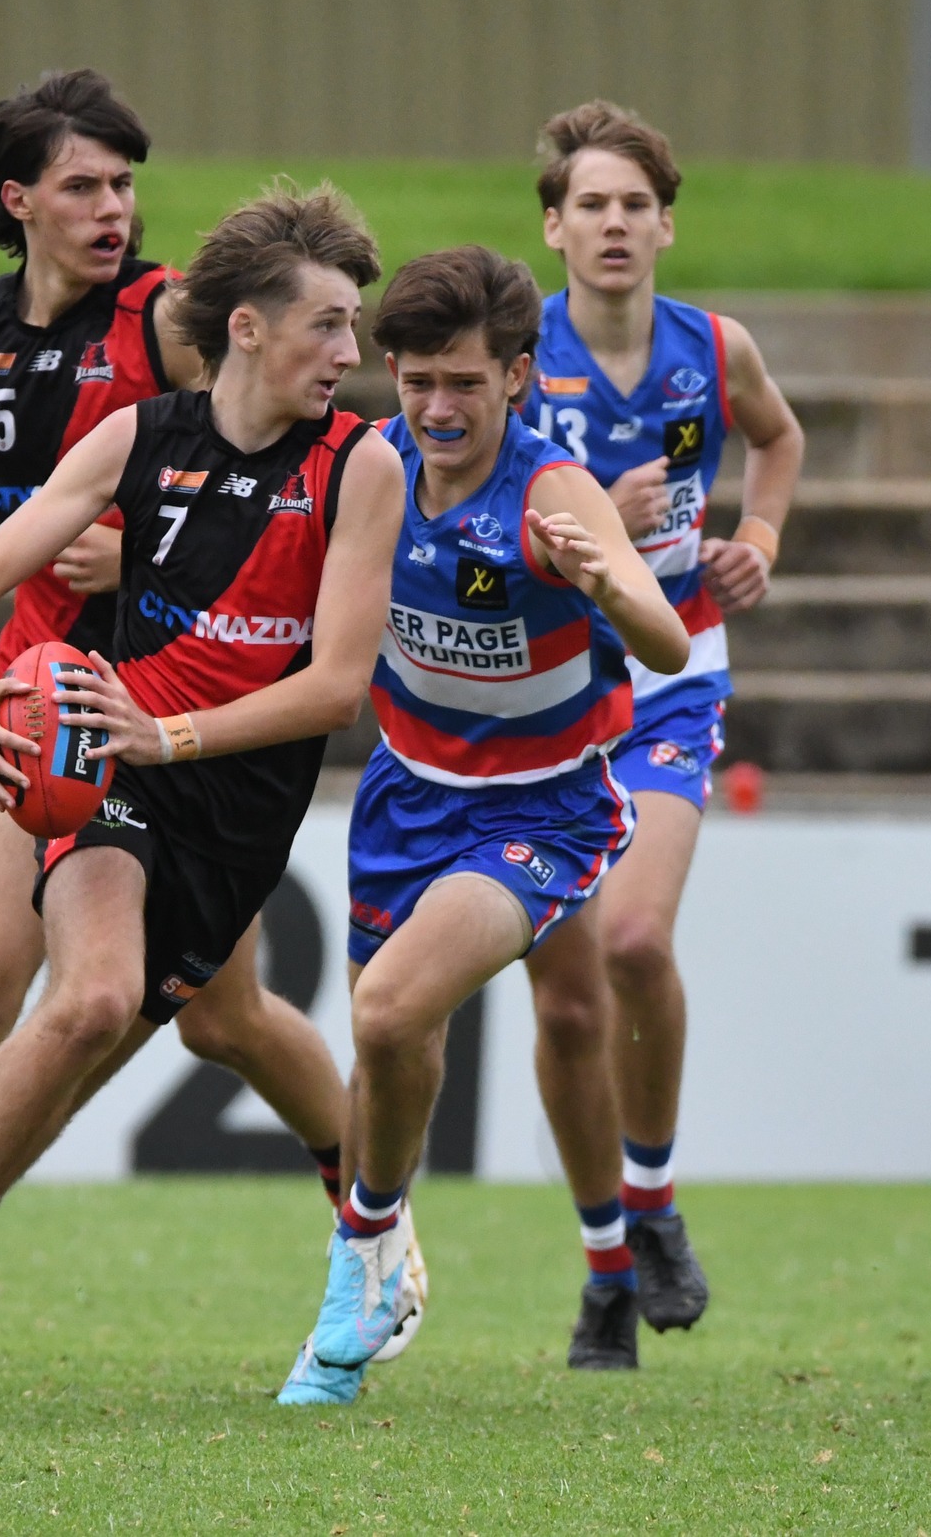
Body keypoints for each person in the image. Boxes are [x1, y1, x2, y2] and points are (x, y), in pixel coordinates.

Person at [0, 74, 394, 1412]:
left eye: (126, 182)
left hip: (204, 743)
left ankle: (374, 1201)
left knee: (222, 1016)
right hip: (70, 710)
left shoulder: (182, 326)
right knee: (4, 984)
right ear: (18, 202)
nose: (115, 208)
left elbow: (266, 557)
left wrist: (147, 552)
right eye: (85, 184)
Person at [273, 246, 687, 1403]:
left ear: (516, 377)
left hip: (541, 807)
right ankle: (378, 1251)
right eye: (416, 382)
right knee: (390, 1045)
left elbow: (658, 640)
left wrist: (605, 584)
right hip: (406, 793)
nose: (439, 408)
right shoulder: (372, 467)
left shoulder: (551, 492)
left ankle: (361, 1266)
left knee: (394, 1004)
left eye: (465, 383)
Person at [522, 101, 804, 1332]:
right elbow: (476, 518)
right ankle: (600, 1276)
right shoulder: (514, 359)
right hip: (546, 691)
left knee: (634, 944)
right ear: (551, 227)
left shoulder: (711, 345)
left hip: (671, 675)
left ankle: (652, 1204)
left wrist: (756, 535)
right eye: (591, 203)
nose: (614, 224)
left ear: (666, 224)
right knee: (566, 999)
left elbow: (777, 437)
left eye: (634, 203)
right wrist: (596, 527)